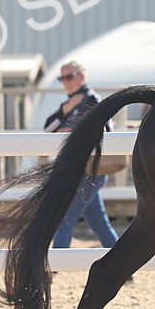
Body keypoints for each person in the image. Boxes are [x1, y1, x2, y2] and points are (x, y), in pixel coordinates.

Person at [45, 61, 119, 249]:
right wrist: (67, 109)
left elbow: (107, 128)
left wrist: (72, 129)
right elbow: (47, 129)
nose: (66, 82)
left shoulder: (93, 99)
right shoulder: (68, 105)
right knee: (99, 223)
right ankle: (123, 269)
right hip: (79, 170)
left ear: (82, 76)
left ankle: (52, 268)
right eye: (62, 78)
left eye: (69, 77)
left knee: (65, 218)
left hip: (91, 169)